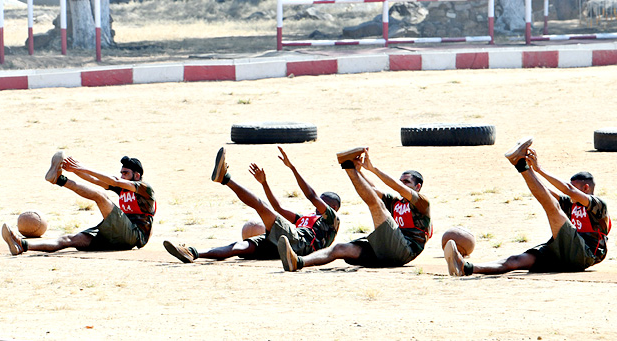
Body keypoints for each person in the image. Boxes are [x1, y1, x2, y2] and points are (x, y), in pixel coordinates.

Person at [446, 138, 609, 276]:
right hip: (563, 253)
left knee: (554, 209)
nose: (569, 190)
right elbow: (547, 192)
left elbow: (568, 190)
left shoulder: (598, 205)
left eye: (575, 186)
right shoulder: (571, 203)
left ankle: (519, 164)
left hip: (585, 254)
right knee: (514, 261)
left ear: (586, 189)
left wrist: (538, 169)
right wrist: (530, 169)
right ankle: (465, 268)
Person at [164, 147, 340, 263]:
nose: (318, 203)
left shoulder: (332, 220)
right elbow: (278, 209)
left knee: (261, 206)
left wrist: (292, 167)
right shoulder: (306, 218)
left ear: (333, 207)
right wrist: (264, 183)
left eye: (323, 202)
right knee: (240, 247)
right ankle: (194, 252)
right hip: (285, 244)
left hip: (300, 244)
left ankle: (225, 179)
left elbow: (311, 195)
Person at [279, 147, 430, 272]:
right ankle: (297, 262)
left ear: (417, 187)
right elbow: (373, 189)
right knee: (340, 248)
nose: (402, 184)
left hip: (405, 250)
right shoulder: (396, 202)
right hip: (386, 251)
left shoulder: (422, 202)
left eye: (407, 182)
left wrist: (373, 168)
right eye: (401, 180)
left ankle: (347, 167)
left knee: (377, 205)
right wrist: (359, 171)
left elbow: (394, 188)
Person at [1, 152, 154, 254]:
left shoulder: (144, 188)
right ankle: (22, 245)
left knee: (100, 197)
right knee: (70, 240)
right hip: (120, 235)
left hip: (134, 235)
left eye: (125, 173)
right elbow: (95, 180)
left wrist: (83, 167)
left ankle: (59, 180)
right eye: (121, 172)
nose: (121, 176)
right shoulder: (123, 189)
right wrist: (74, 169)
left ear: (137, 175)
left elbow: (113, 180)